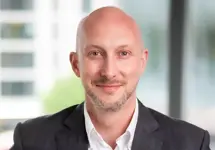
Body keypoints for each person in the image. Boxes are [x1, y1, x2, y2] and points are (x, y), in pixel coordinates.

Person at [10, 6, 211, 150]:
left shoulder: (191, 143)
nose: (109, 71)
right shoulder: (31, 141)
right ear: (76, 64)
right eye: (96, 54)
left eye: (123, 54)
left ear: (142, 62)